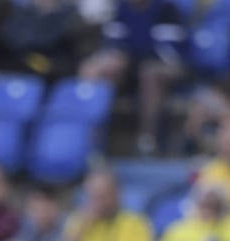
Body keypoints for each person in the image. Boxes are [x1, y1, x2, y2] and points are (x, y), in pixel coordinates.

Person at [77, 0, 186, 156]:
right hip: (131, 67)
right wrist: (116, 59)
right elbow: (113, 45)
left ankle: (147, 139)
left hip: (167, 67)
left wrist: (129, 56)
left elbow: (170, 52)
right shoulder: (120, 8)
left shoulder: (166, 8)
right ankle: (90, 138)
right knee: (99, 68)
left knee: (149, 73)